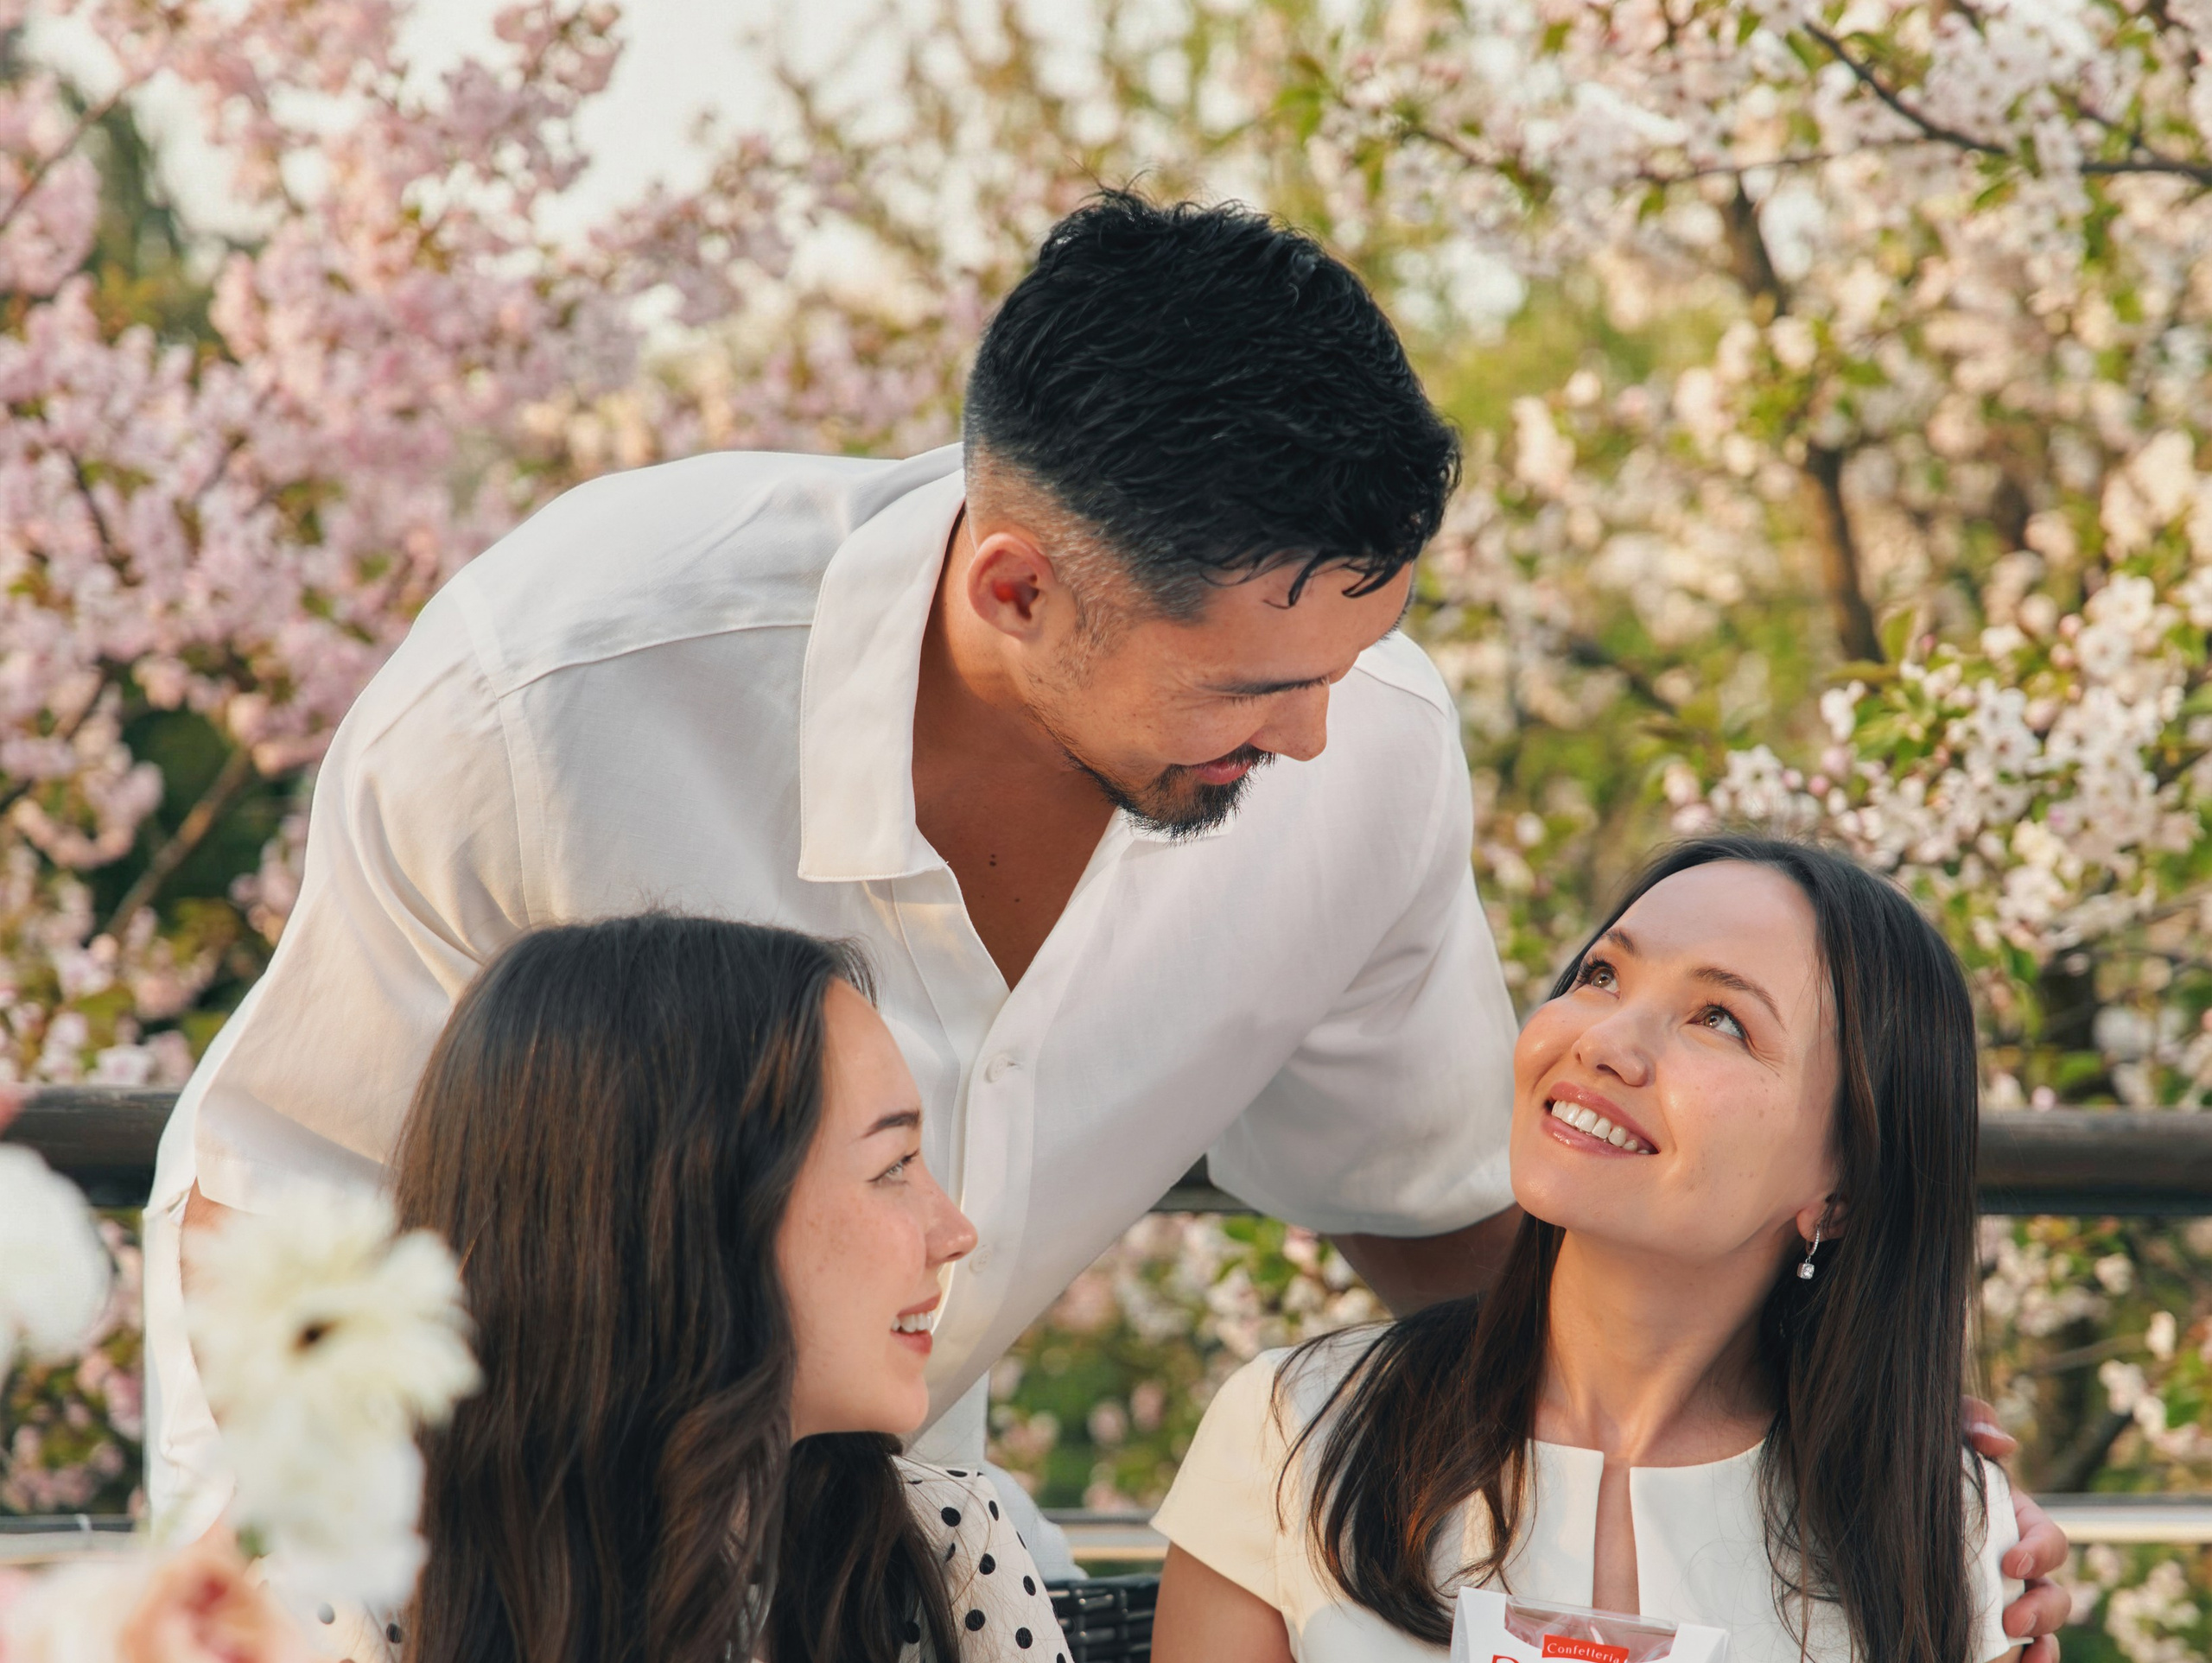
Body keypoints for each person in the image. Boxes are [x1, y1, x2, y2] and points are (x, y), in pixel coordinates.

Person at [147, 191, 1525, 1572]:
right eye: (1250, 688)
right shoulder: (547, 697)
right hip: (436, 1523)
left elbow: (1444, 1214)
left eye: (1351, 662)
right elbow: (279, 1220)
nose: (1313, 738)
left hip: (875, 1547)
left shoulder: (1371, 759)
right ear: (1015, 593)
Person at [213, 917, 1177, 1663]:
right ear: (690, 1217)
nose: (954, 1228)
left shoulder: (946, 1562)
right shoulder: (330, 1656)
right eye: (892, 1168)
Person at [1135, 838, 2048, 1663]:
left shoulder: (1935, 1518)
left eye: (1719, 1022)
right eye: (1604, 976)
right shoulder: (1294, 1430)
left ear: (1841, 1185)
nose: (1605, 1041)